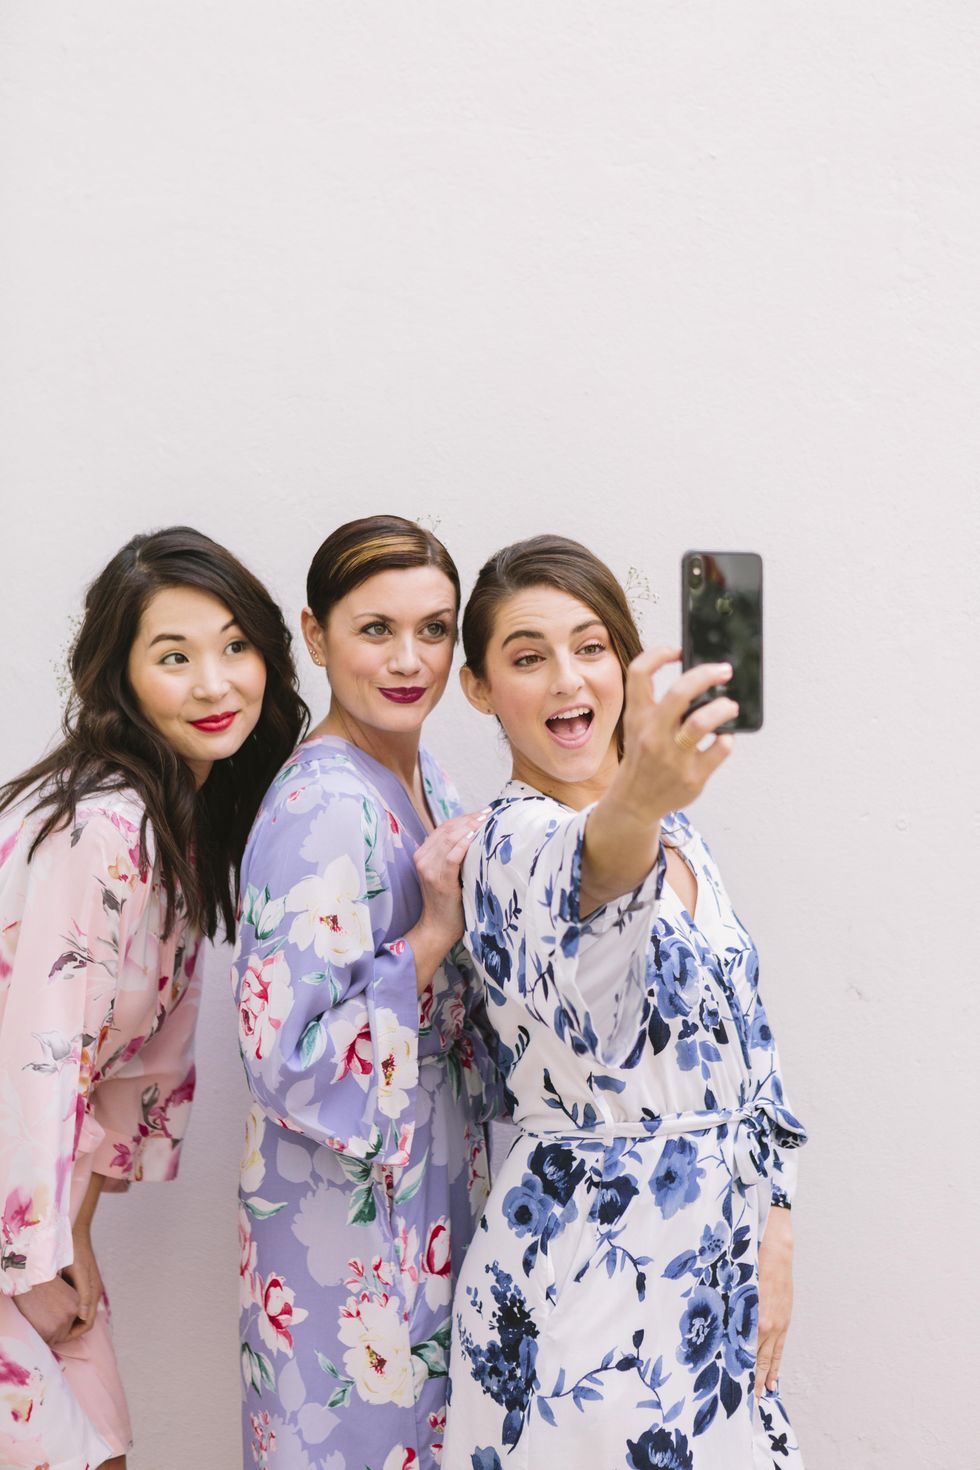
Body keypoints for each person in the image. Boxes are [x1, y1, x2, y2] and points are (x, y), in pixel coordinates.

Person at [443, 535, 807, 1470]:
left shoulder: (681, 829)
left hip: (711, 1283)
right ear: (480, 689)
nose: (567, 679)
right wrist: (635, 801)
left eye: (590, 646)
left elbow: (747, 1045)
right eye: (527, 657)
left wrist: (775, 1226)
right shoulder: (506, 843)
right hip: (584, 1296)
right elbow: (590, 884)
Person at [0, 526, 307, 1470]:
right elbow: (38, 1056)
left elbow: (139, 1065)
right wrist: (34, 1257)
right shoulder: (97, 826)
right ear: (122, 677)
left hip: (35, 1217)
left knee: (102, 1449)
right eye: (175, 657)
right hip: (15, 1218)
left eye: (235, 646)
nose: (215, 684)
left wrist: (74, 1235)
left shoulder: (173, 827)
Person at [232, 515, 502, 1470]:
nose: (408, 658)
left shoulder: (423, 770)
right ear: (316, 636)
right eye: (375, 628)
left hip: (430, 1170)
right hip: (350, 1208)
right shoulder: (321, 807)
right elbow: (287, 1054)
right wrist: (432, 934)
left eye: (433, 629)